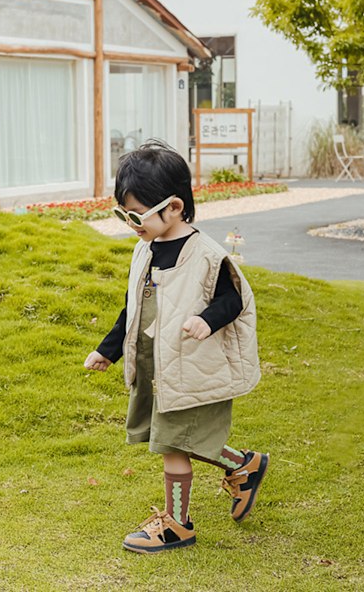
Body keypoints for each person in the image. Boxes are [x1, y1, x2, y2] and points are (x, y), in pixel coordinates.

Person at [84, 140, 269, 554]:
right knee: (181, 439)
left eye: (136, 214)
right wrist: (107, 350)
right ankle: (244, 466)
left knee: (174, 444)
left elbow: (233, 299)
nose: (130, 223)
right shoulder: (144, 250)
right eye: (122, 214)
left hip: (192, 366)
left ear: (174, 207)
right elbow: (133, 308)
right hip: (157, 367)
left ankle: (177, 524)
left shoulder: (206, 256)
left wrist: (206, 320)